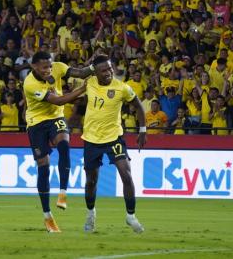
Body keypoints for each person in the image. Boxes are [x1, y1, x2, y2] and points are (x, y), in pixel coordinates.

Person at [23, 51, 92, 232]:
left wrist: (95, 68)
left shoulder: (58, 68)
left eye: (50, 65)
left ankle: (63, 193)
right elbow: (59, 101)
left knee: (64, 144)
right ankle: (47, 216)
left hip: (56, 118)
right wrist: (82, 89)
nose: (49, 70)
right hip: (36, 123)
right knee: (43, 166)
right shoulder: (30, 84)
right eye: (44, 67)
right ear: (34, 67)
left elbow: (82, 72)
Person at [81, 55, 147, 233]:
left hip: (114, 138)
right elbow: (77, 76)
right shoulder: (89, 82)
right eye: (103, 70)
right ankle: (90, 213)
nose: (109, 72)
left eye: (110, 68)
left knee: (126, 175)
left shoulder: (122, 88)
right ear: (96, 72)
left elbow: (139, 106)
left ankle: (130, 216)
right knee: (91, 182)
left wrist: (142, 130)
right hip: (91, 139)